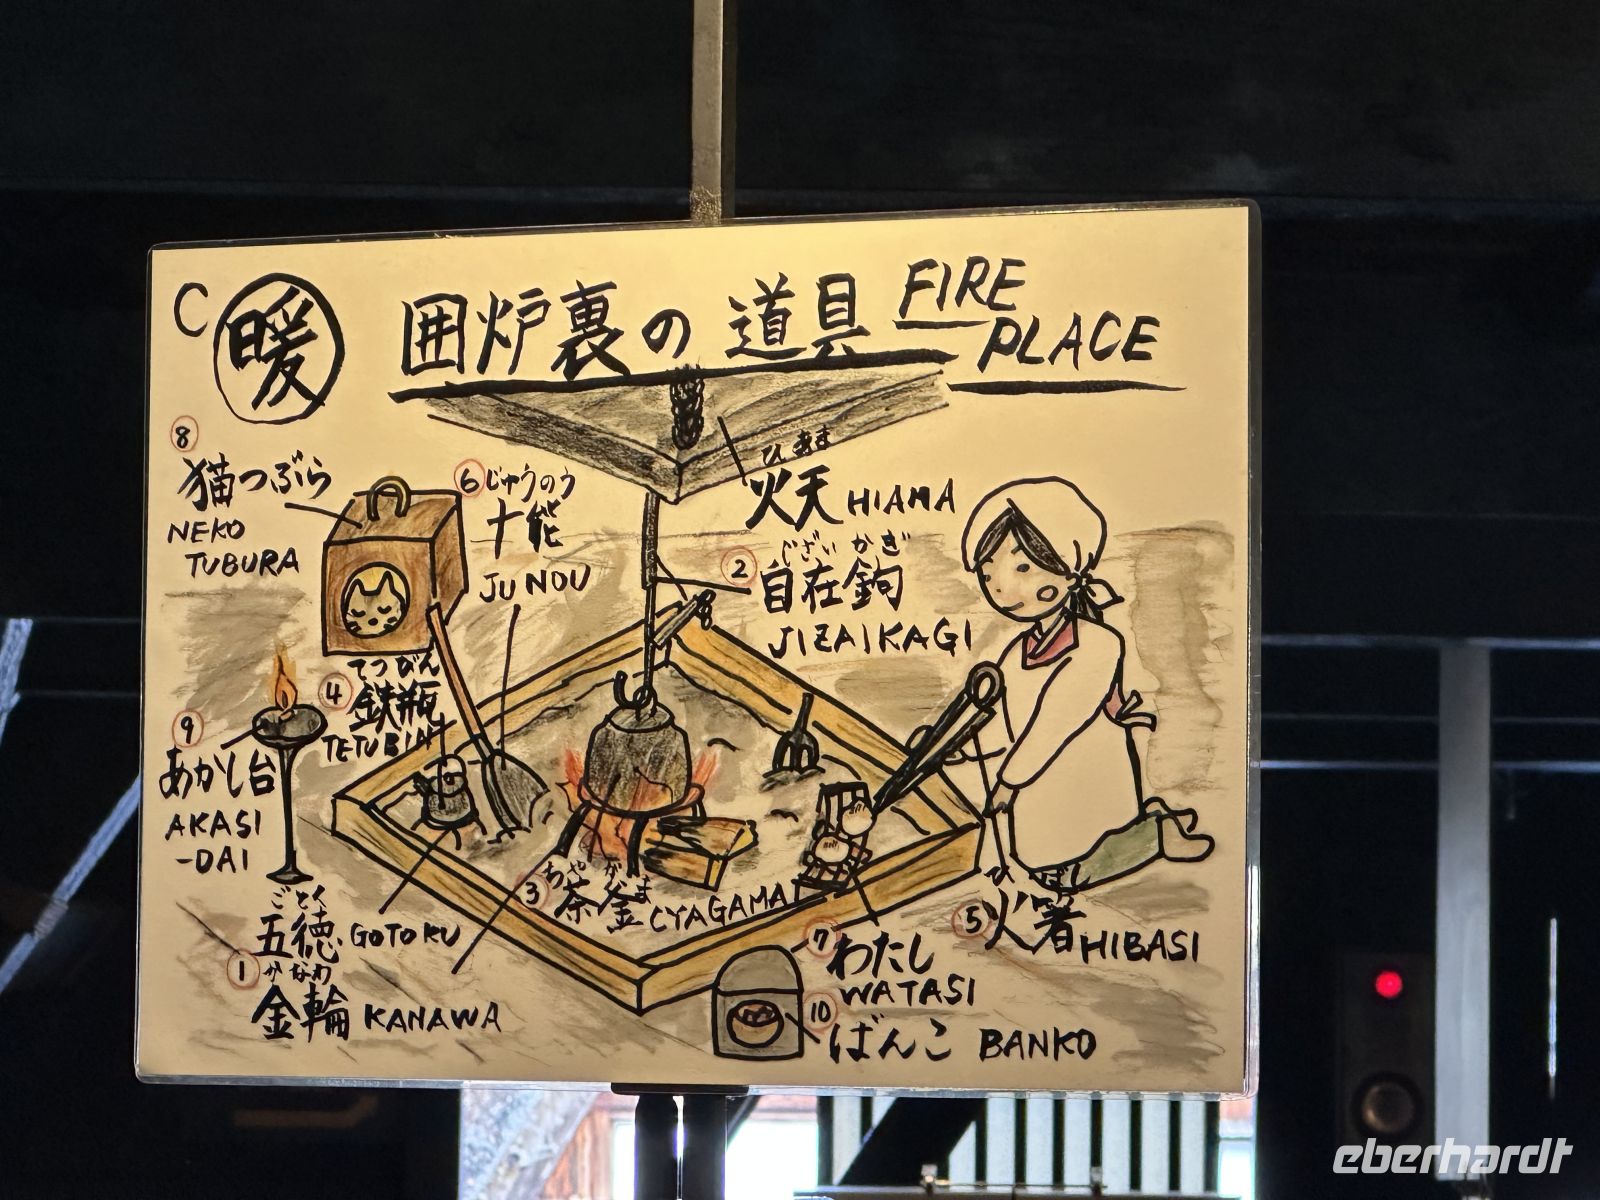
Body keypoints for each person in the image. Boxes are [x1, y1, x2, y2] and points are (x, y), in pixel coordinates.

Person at [959, 478, 1214, 918]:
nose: (1001, 587)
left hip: (1082, 783)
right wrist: (954, 747)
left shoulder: (1098, 644)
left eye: (1023, 568)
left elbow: (1056, 721)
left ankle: (1156, 834)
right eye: (989, 573)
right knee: (1038, 861)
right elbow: (994, 715)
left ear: (1068, 568)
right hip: (1036, 787)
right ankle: (1150, 824)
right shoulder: (1015, 651)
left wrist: (1008, 783)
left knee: (1070, 870)